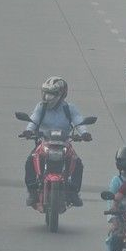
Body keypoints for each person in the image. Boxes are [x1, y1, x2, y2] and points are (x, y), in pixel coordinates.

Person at [22, 76, 86, 206]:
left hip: (64, 143)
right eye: (46, 93)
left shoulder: (69, 108)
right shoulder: (41, 107)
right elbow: (34, 119)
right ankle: (32, 192)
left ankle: (73, 192)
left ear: (61, 94)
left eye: (52, 94)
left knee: (78, 164)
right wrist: (28, 130)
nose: (48, 97)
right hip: (44, 142)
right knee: (30, 161)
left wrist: (85, 133)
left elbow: (78, 121)